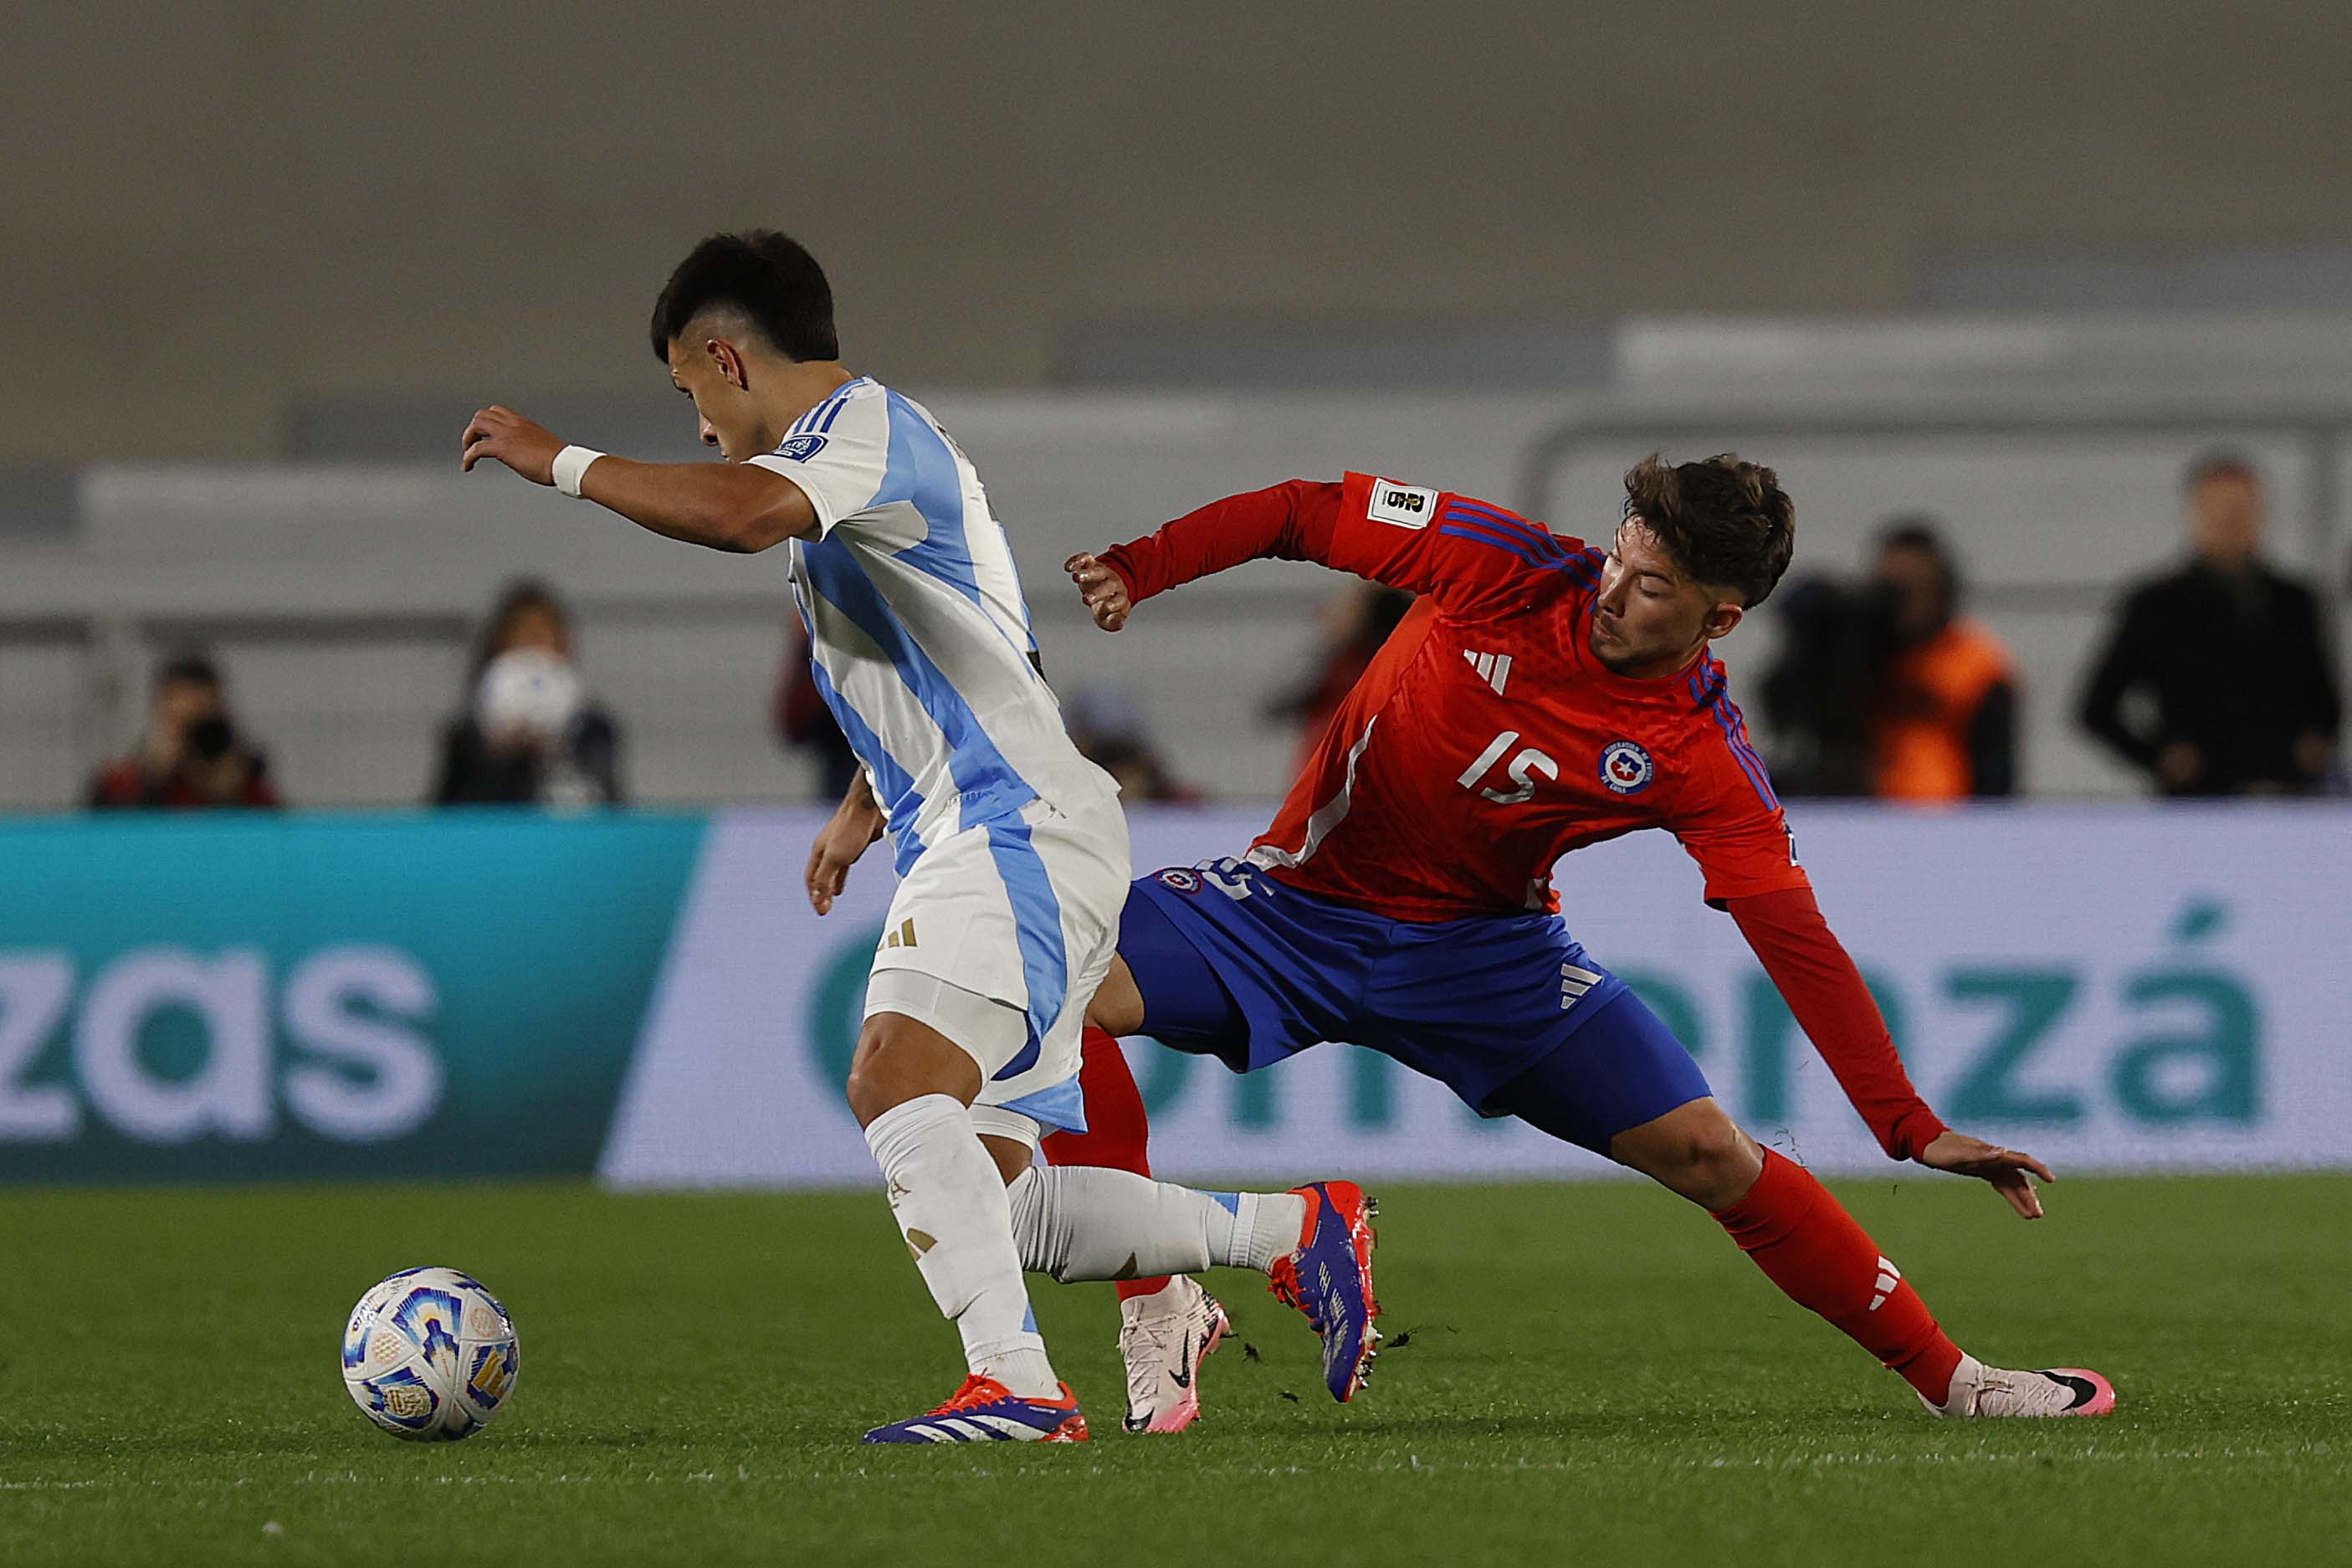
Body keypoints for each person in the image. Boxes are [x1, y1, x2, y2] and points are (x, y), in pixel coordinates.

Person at [461, 230, 1371, 1444]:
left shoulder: (860, 431)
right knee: (1007, 1198)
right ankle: (1298, 1228)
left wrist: (557, 460)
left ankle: (1019, 1387)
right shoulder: (870, 460)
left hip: (1012, 828)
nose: (695, 425)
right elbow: (978, 660)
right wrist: (859, 807)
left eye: (688, 394)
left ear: (725, 357)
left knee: (893, 1077)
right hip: (998, 821)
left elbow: (738, 517)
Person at [1054, 458, 2115, 1430]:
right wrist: (1142, 569)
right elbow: (1306, 511)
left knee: (1713, 1152)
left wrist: (1907, 1124)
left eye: (1653, 586)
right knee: (1053, 985)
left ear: (1721, 617)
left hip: (1489, 956)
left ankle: (1958, 1383)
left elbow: (1793, 934)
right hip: (1293, 906)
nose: (1613, 589)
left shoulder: (1698, 749)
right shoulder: (1501, 565)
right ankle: (1158, 1303)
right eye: (1622, 554)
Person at [2079, 453, 2340, 796]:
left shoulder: (2295, 601)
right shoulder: (2157, 604)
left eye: (2242, 506)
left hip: (2285, 797)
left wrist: (2316, 745)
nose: (2232, 518)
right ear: (2195, 511)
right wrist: (2159, 756)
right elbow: (2096, 708)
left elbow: (2325, 698)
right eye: (2220, 507)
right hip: (2197, 804)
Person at [432, 581, 624, 807]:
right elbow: (448, 813)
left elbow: (610, 808)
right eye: (524, 636)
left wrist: (557, 751)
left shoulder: (594, 731)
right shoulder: (467, 736)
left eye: (543, 636)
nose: (534, 648)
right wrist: (499, 755)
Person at [1867, 520, 2016, 801]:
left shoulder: (1975, 664)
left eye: (1915, 588)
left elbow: (1996, 776)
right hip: (1865, 814)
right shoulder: (1861, 659)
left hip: (1949, 820)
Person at [87, 653, 283, 809]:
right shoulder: (121, 784)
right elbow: (102, 838)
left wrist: (228, 795)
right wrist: (152, 780)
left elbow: (271, 843)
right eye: (182, 720)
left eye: (202, 718)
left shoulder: (249, 785)